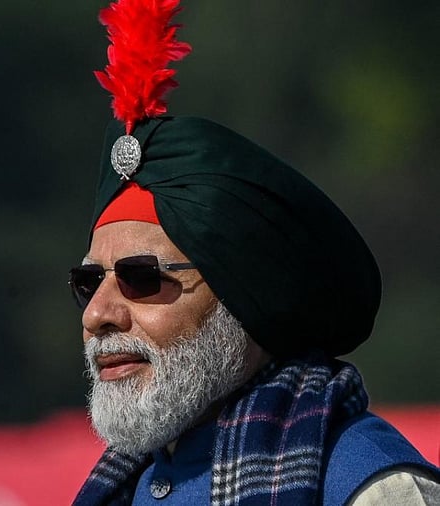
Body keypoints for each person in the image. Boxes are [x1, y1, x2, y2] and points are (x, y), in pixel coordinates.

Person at [70, 0, 440, 504]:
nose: (97, 314)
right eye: (90, 282)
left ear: (239, 301)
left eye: (141, 278)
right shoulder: (123, 486)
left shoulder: (371, 487)